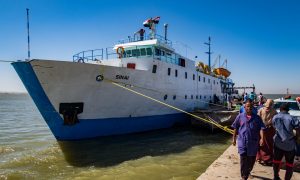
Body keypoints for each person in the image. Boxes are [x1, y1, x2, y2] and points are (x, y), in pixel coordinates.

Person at [232, 99, 266, 180]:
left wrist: (262, 138)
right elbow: (235, 128)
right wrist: (234, 139)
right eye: (247, 106)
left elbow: (261, 128)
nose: (249, 108)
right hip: (242, 142)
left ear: (253, 107)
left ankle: (248, 171)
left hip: (253, 142)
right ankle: (244, 176)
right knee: (243, 160)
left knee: (251, 160)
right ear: (244, 107)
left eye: (251, 106)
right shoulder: (240, 116)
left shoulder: (257, 118)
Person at [272, 103, 300, 180]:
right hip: (289, 144)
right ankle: (287, 178)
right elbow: (298, 129)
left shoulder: (275, 117)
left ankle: (276, 176)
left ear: (280, 109)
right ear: (288, 110)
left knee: (276, 161)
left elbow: (274, 127)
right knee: (289, 164)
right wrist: (297, 138)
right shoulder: (292, 118)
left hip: (278, 142)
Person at [256, 99, 277, 165]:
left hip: (270, 129)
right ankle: (259, 158)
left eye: (269, 107)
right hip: (261, 129)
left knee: (269, 144)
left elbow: (276, 120)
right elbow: (257, 119)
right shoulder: (261, 110)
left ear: (271, 106)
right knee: (261, 143)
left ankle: (267, 159)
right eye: (267, 107)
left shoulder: (274, 111)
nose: (267, 108)